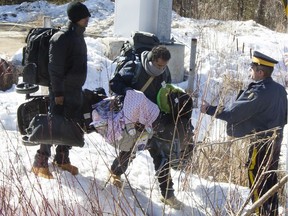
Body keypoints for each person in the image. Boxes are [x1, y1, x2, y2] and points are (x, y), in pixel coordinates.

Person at [201, 51, 287, 215]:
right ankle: (272, 212)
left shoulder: (258, 92)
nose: (250, 71)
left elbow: (233, 113)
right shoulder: (280, 90)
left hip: (260, 143)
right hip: (276, 143)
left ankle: (259, 212)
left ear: (260, 72)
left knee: (256, 177)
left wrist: (208, 109)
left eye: (252, 68)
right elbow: (285, 115)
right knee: (270, 179)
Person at [108, 45, 192, 209]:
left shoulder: (164, 72)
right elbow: (114, 83)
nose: (161, 69)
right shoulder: (135, 67)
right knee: (128, 151)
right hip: (133, 118)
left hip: (153, 120)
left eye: (164, 66)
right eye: (159, 65)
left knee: (160, 155)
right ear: (152, 60)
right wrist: (129, 92)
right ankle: (115, 172)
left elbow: (164, 93)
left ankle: (168, 194)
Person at [31, 1, 91, 179]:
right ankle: (40, 163)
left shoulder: (78, 36)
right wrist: (57, 93)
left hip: (75, 90)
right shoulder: (61, 38)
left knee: (69, 125)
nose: (87, 19)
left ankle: (62, 159)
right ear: (75, 18)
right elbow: (54, 69)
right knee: (53, 126)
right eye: (84, 16)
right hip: (61, 92)